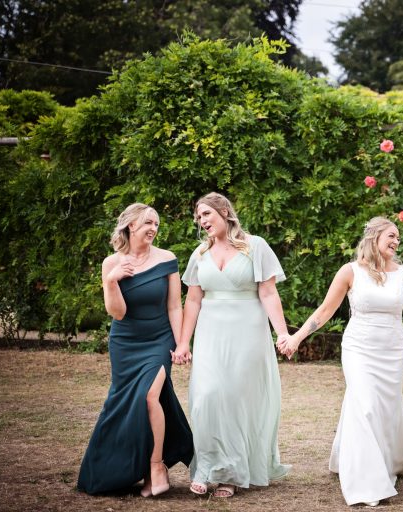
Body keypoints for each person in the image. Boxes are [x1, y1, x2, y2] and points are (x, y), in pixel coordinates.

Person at [277, 216, 403, 507]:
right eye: (391, 236)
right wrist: (297, 337)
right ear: (374, 238)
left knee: (383, 406)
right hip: (358, 349)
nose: (395, 242)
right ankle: (368, 482)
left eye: (398, 238)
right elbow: (326, 310)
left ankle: (378, 457)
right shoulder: (350, 271)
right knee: (364, 404)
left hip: (392, 350)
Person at [177, 192, 290, 498]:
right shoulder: (199, 254)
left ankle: (230, 474)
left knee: (236, 399)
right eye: (199, 217)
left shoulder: (256, 246)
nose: (202, 222)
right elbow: (193, 299)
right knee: (207, 396)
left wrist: (282, 333)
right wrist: (184, 342)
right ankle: (205, 467)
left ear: (224, 212)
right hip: (212, 333)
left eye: (206, 215)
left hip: (248, 331)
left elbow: (268, 293)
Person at [77, 203, 193, 496]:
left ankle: (156, 467)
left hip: (159, 340)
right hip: (125, 342)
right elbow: (117, 313)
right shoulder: (110, 262)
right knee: (129, 403)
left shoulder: (167, 259)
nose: (153, 228)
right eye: (147, 223)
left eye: (156, 223)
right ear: (131, 226)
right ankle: (128, 468)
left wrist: (181, 343)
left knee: (149, 395)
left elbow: (173, 306)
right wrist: (112, 280)